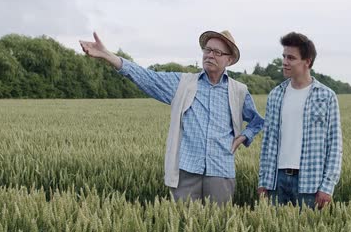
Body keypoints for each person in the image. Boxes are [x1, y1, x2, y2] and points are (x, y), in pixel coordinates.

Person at [79, 30, 264, 204]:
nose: (210, 55)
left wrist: (243, 137)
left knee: (220, 228)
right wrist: (107, 55)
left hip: (221, 170)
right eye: (207, 50)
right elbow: (146, 77)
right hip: (186, 171)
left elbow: (256, 121)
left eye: (217, 52)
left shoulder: (239, 91)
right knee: (183, 227)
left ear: (229, 60)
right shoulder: (182, 84)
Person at [257, 32, 342, 209]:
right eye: (284, 57)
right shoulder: (275, 95)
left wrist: (328, 186)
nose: (285, 62)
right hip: (276, 181)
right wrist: (263, 181)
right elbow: (268, 141)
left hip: (311, 183)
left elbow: (335, 144)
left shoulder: (326, 96)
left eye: (291, 58)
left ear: (307, 61)